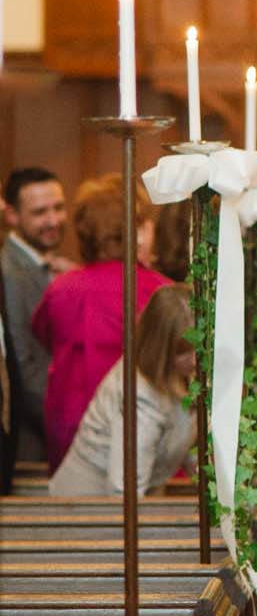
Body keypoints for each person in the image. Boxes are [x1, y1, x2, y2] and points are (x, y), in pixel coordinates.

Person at [31, 176, 173, 471]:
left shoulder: (61, 289)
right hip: (138, 427)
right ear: (138, 231)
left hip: (71, 430)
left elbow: (43, 336)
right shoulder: (158, 291)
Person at [50, 285, 196, 498]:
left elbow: (186, 435)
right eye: (182, 352)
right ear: (160, 347)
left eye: (198, 347)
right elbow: (124, 492)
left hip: (139, 495)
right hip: (85, 507)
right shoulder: (141, 394)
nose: (194, 360)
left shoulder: (183, 373)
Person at [1, 167, 74, 464]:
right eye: (40, 212)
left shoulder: (50, 266)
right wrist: (68, 431)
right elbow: (21, 367)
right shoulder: (8, 273)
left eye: (58, 208)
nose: (53, 220)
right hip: (33, 445)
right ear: (12, 216)